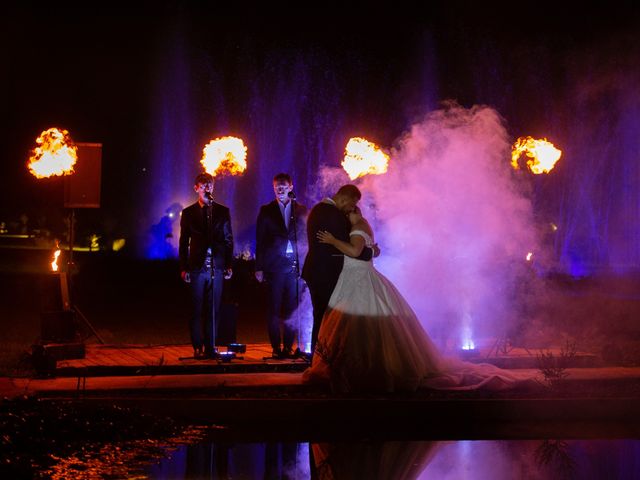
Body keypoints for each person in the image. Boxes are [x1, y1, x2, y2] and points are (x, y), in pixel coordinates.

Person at [303, 207, 540, 393]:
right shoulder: (355, 227)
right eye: (347, 211)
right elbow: (365, 251)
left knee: (364, 327)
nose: (349, 213)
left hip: (359, 279)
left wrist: (339, 243)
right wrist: (370, 250)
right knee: (359, 328)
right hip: (354, 280)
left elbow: (357, 252)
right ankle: (358, 368)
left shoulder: (357, 227)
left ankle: (369, 371)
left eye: (351, 210)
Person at [301, 184, 378, 355]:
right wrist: (372, 251)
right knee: (325, 318)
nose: (352, 209)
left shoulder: (320, 209)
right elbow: (349, 247)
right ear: (345, 198)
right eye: (352, 204)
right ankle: (320, 358)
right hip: (325, 273)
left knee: (323, 316)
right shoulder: (331, 214)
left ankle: (320, 356)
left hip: (319, 271)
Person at [179, 172, 233, 359]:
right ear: (196, 189)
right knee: (196, 308)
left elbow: (228, 240)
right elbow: (183, 241)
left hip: (216, 266)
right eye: (203, 185)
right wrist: (183, 267)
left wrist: (228, 263)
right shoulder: (188, 213)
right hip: (196, 266)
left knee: (213, 308)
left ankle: (211, 346)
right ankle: (197, 346)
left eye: (209, 184)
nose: (206, 188)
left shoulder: (222, 211)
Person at [255, 173, 308, 359]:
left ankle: (288, 347)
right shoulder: (266, 210)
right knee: (274, 308)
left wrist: (306, 265)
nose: (280, 188)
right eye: (277, 186)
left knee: (292, 308)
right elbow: (260, 240)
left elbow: (305, 239)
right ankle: (276, 347)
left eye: (283, 186)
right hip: (274, 266)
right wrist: (259, 267)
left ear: (291, 187)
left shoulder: (301, 210)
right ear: (273, 188)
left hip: (295, 267)